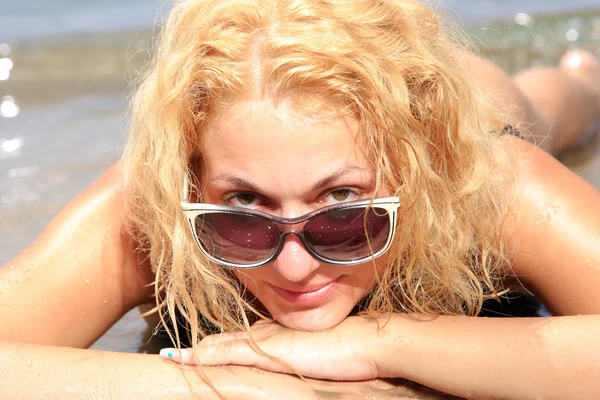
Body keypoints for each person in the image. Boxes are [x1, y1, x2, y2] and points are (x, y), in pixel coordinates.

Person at [1, 0, 600, 398]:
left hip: (484, 110)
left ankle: (582, 77)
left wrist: (375, 343)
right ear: (193, 178)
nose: (294, 266)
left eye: (344, 209)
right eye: (242, 214)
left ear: (416, 171)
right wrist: (229, 385)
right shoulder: (157, 204)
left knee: (542, 103)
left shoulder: (484, 182)